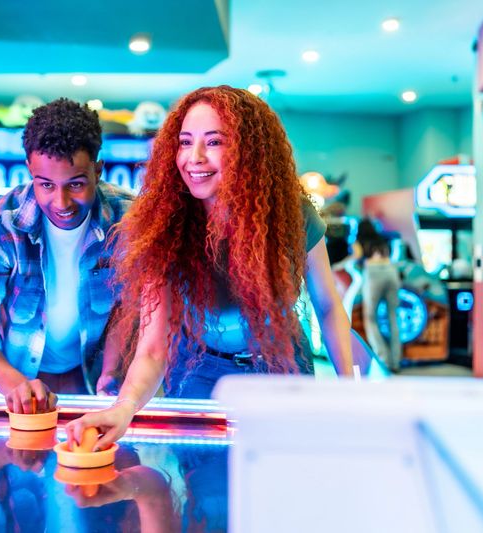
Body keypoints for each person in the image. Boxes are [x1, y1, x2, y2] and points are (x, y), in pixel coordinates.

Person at [66, 85, 353, 449]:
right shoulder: (163, 223)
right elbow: (153, 346)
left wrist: (350, 391)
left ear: (249, 151)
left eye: (214, 142)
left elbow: (328, 307)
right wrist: (124, 408)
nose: (194, 157)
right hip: (199, 372)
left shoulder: (291, 214)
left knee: (282, 488)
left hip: (281, 368)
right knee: (209, 496)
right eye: (185, 142)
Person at [0, 98, 133, 413]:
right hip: (12, 394)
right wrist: (15, 384)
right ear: (30, 169)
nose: (61, 202)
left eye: (76, 184)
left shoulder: (130, 221)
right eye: (46, 185)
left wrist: (112, 379)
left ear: (98, 170)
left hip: (100, 393)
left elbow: (135, 310)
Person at [361, 235, 402, 372]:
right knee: (393, 318)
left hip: (373, 272)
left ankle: (383, 359)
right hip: (391, 270)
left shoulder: (360, 240)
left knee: (370, 318)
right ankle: (395, 361)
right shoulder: (384, 240)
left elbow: (355, 258)